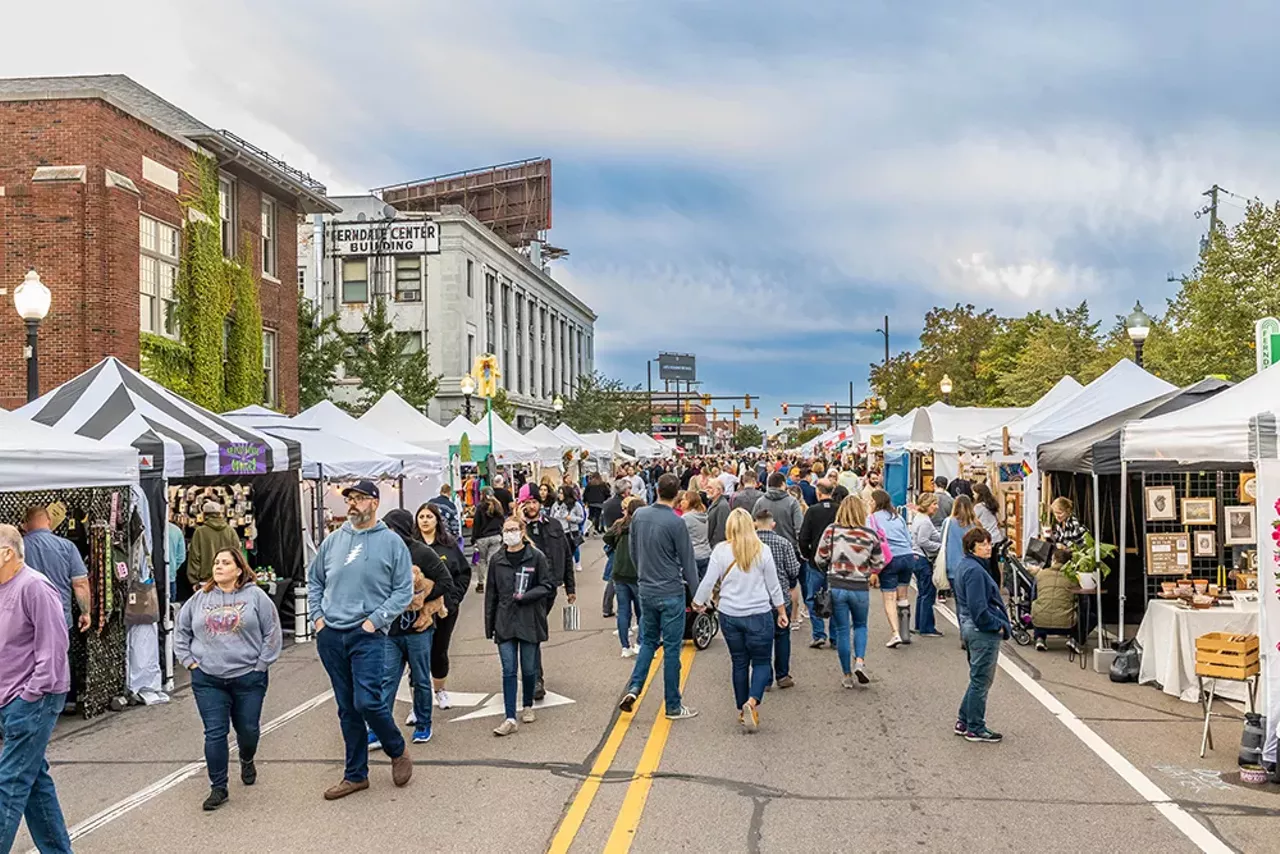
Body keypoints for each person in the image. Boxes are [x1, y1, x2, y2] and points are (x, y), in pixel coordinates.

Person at [307, 481, 414, 800]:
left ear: (375, 503)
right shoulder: (333, 541)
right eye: (349, 499)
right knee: (346, 707)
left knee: (366, 701)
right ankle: (355, 775)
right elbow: (314, 580)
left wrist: (375, 621)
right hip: (331, 634)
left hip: (367, 635)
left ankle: (396, 749)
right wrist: (318, 618)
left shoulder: (392, 543)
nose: (351, 504)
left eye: (358, 499)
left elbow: (403, 591)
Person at [175, 547, 283, 810]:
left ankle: (247, 758)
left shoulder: (255, 596)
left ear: (238, 569)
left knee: (248, 730)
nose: (219, 566)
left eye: (225, 562)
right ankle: (218, 787)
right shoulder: (200, 598)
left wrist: (260, 665)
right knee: (215, 732)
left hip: (248, 677)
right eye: (216, 562)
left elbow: (272, 632)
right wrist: (190, 662)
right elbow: (181, 630)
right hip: (208, 679)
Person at [0, 524, 73, 854]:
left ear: (7, 553)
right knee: (32, 782)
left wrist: (31, 694)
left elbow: (54, 649)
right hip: (10, 697)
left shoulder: (35, 587)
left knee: (9, 784)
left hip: (33, 698)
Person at [693, 509, 788, 732]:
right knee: (762, 662)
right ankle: (752, 701)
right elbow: (773, 586)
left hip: (730, 615)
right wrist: (782, 611)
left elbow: (708, 581)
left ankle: (740, 709)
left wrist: (698, 602)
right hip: (758, 613)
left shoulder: (721, 551)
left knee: (739, 662)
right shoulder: (762, 550)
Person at [618, 473, 700, 721]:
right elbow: (688, 562)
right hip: (670, 590)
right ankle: (673, 704)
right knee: (672, 650)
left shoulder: (640, 515)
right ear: (677, 495)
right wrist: (697, 596)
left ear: (656, 490)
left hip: (647, 588)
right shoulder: (677, 523)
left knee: (649, 642)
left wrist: (643, 573)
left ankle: (634, 688)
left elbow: (634, 550)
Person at [381, 510, 452, 745]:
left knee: (421, 679)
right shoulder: (382, 553)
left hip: (418, 630)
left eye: (389, 527)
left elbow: (446, 582)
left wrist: (424, 599)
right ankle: (380, 728)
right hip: (390, 631)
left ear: (399, 529)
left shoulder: (421, 552)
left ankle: (423, 724)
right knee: (387, 680)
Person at [485, 515, 554, 736]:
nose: (510, 533)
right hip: (504, 620)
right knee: (508, 669)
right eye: (506, 530)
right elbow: (491, 594)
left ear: (522, 532)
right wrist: (490, 625)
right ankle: (509, 717)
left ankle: (527, 705)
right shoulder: (497, 559)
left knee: (529, 667)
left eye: (514, 529)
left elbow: (547, 586)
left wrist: (527, 596)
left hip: (529, 619)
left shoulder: (536, 557)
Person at [813, 496, 885, 688]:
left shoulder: (832, 531)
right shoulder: (870, 534)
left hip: (837, 585)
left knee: (842, 630)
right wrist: (868, 569)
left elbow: (820, 558)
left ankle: (846, 674)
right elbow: (880, 562)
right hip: (860, 586)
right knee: (860, 625)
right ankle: (859, 661)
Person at [953, 527, 1010, 743]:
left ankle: (964, 719)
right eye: (983, 544)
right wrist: (997, 626)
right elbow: (979, 608)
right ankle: (975, 726)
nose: (988, 547)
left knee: (977, 677)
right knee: (981, 679)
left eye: (989, 543)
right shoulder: (976, 571)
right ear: (972, 546)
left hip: (969, 627)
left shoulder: (966, 566)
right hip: (981, 631)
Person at [414, 502, 470, 711]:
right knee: (417, 652)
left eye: (429, 516)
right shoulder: (411, 546)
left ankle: (440, 690)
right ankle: (419, 698)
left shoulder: (448, 545)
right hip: (417, 609)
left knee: (439, 650)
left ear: (437, 520)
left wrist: (454, 598)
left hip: (445, 609)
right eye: (422, 517)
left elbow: (464, 573)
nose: (425, 520)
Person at [521, 497, 574, 701]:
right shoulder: (517, 527)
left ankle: (533, 675)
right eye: (527, 503)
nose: (531, 507)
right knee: (533, 632)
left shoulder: (553, 525)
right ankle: (535, 679)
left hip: (549, 586)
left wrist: (570, 587)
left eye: (534, 502)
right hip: (526, 589)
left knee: (535, 632)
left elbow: (566, 554)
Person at [21, 505, 91, 634]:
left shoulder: (16, 549)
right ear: (49, 521)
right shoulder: (67, 547)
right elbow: (80, 584)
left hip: (26, 623)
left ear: (26, 524)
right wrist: (85, 613)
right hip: (60, 621)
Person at [754, 509, 801, 689]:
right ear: (773, 524)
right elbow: (793, 569)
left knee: (761, 639)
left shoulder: (751, 544)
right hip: (780, 597)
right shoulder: (783, 543)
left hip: (757, 598)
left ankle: (764, 678)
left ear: (756, 523)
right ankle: (782, 675)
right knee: (782, 636)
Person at [870, 489, 916, 649]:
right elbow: (909, 539)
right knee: (903, 595)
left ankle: (895, 633)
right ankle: (905, 632)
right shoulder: (897, 516)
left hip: (889, 558)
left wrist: (873, 569)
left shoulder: (873, 518)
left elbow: (872, 540)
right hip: (907, 556)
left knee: (889, 597)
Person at [798, 480, 839, 649]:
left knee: (813, 596)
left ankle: (819, 633)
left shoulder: (812, 511)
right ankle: (835, 636)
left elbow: (803, 537)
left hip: (816, 561)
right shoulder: (839, 509)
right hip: (836, 560)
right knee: (836, 598)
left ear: (818, 493)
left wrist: (808, 555)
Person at [603, 497, 645, 657]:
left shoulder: (619, 524)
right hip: (637, 573)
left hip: (619, 572)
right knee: (642, 611)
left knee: (623, 610)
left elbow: (607, 537)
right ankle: (640, 643)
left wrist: (616, 546)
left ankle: (625, 646)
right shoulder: (642, 527)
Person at [1029, 546, 1080, 653]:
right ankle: (1075, 639)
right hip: (1067, 625)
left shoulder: (1040, 574)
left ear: (1053, 560)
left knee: (1040, 606)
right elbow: (1081, 600)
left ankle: (1040, 638)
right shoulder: (1073, 577)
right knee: (1091, 615)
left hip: (1040, 622)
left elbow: (1033, 596)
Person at [909, 493, 944, 638]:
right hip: (923, 559)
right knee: (928, 592)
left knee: (922, 592)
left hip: (916, 557)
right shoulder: (924, 522)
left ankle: (919, 623)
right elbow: (923, 541)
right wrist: (940, 547)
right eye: (933, 504)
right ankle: (926, 627)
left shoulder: (920, 518)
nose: (936, 507)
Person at [187, 501, 242, 589]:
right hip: (228, 578)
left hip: (206, 580)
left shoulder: (200, 532)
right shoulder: (230, 531)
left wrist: (194, 581)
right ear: (220, 513)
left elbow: (195, 558)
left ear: (204, 514)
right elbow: (238, 556)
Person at [943, 496, 978, 623]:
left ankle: (963, 630)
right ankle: (972, 627)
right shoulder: (975, 525)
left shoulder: (948, 522)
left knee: (960, 601)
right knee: (971, 600)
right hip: (971, 566)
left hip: (952, 566)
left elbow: (943, 542)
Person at [600, 479, 632, 619]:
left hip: (612, 540)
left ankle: (607, 607)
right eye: (629, 489)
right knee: (617, 576)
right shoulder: (626, 505)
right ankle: (619, 607)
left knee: (613, 576)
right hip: (622, 541)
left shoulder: (607, 504)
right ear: (625, 492)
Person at [754, 473, 804, 555]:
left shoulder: (760, 502)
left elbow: (753, 523)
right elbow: (799, 527)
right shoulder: (792, 502)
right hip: (789, 548)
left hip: (763, 548)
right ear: (783, 484)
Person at [470, 489, 505, 594]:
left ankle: (481, 584)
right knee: (493, 561)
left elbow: (476, 524)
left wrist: (473, 539)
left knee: (482, 561)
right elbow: (502, 521)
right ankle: (494, 583)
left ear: (482, 495)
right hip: (495, 537)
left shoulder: (480, 507)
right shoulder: (498, 506)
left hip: (482, 538)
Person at [972, 483, 1007, 584]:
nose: (973, 495)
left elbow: (974, 521)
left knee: (986, 564)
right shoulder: (992, 504)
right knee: (994, 564)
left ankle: (988, 584)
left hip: (986, 538)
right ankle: (997, 584)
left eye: (974, 493)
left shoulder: (978, 507)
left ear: (979, 494)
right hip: (996, 537)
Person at [551, 485, 587, 574]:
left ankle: (572, 568)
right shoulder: (556, 505)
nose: (559, 495)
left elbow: (581, 518)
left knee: (569, 553)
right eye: (558, 493)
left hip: (570, 532)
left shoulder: (575, 505)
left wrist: (570, 518)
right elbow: (551, 516)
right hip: (559, 532)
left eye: (561, 493)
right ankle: (563, 573)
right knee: (560, 554)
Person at [680, 490, 713, 576]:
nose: (681, 502)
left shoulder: (686, 518)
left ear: (690, 502)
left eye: (684, 499)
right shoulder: (703, 516)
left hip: (693, 556)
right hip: (706, 553)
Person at [704, 479, 730, 549]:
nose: (707, 490)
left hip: (716, 547)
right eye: (707, 487)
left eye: (710, 488)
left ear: (719, 490)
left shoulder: (723, 506)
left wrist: (713, 546)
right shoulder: (713, 503)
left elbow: (721, 530)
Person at [166, 520, 187, 604]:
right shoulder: (176, 530)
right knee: (170, 609)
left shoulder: (149, 528)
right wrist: (173, 568)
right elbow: (181, 557)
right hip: (170, 576)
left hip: (150, 578)